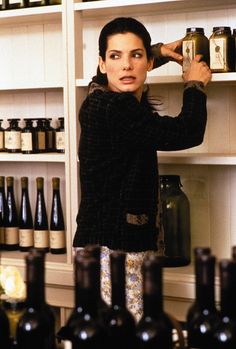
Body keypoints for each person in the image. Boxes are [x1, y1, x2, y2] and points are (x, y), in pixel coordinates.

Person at [73, 17, 211, 321]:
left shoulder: (97, 95)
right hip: (115, 252)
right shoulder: (114, 108)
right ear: (101, 63)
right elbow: (187, 132)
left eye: (135, 55)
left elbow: (128, 68)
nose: (125, 66)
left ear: (146, 61)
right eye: (115, 56)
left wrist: (160, 51)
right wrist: (195, 83)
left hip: (102, 248)